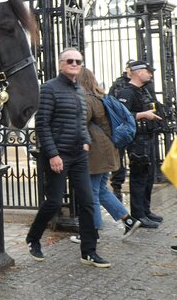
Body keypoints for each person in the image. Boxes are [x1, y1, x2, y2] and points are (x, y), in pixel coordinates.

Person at [26, 48, 111, 268]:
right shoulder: (48, 89)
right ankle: (33, 238)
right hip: (57, 155)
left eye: (78, 61)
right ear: (61, 64)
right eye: (70, 61)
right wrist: (53, 154)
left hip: (79, 155)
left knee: (87, 202)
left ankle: (89, 252)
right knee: (54, 201)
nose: (74, 64)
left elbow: (82, 122)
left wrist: (86, 142)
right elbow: (42, 124)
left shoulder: (80, 91)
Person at [68, 67, 140, 243]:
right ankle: (129, 221)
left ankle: (92, 232)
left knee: (91, 193)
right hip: (107, 149)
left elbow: (79, 124)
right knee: (101, 190)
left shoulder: (85, 99)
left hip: (96, 152)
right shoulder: (101, 97)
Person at [116, 60, 164, 228]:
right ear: (136, 72)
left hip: (148, 137)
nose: (150, 74)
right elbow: (121, 116)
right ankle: (138, 215)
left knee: (149, 175)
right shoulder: (126, 92)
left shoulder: (144, 90)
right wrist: (143, 115)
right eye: (147, 71)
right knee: (138, 177)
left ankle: (145, 210)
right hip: (137, 140)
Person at [108, 60, 132, 201]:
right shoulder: (118, 84)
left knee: (136, 158)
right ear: (127, 69)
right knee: (119, 158)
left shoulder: (144, 84)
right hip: (121, 126)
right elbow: (111, 102)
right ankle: (117, 187)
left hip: (138, 128)